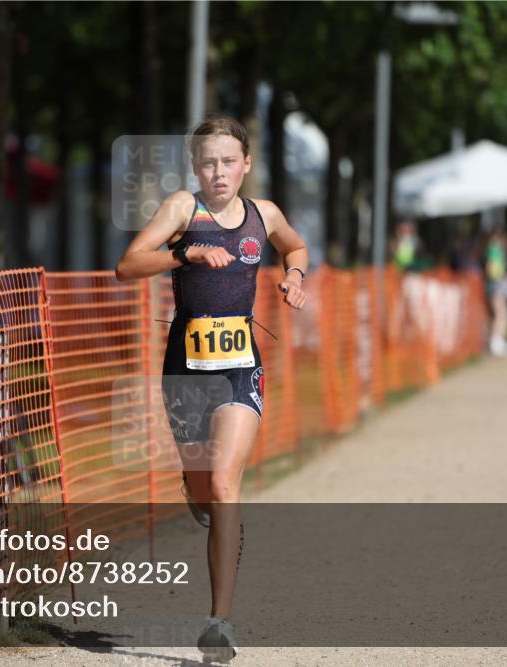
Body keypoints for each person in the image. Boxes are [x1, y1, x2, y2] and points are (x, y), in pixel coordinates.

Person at [114, 116, 308, 662]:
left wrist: (295, 278)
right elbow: (126, 266)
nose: (218, 172)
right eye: (208, 162)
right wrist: (185, 254)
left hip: (239, 368)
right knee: (204, 488)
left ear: (246, 164)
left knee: (225, 485)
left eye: (229, 161)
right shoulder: (183, 208)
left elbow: (296, 247)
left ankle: (219, 621)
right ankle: (192, 486)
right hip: (184, 369)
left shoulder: (262, 215)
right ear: (195, 167)